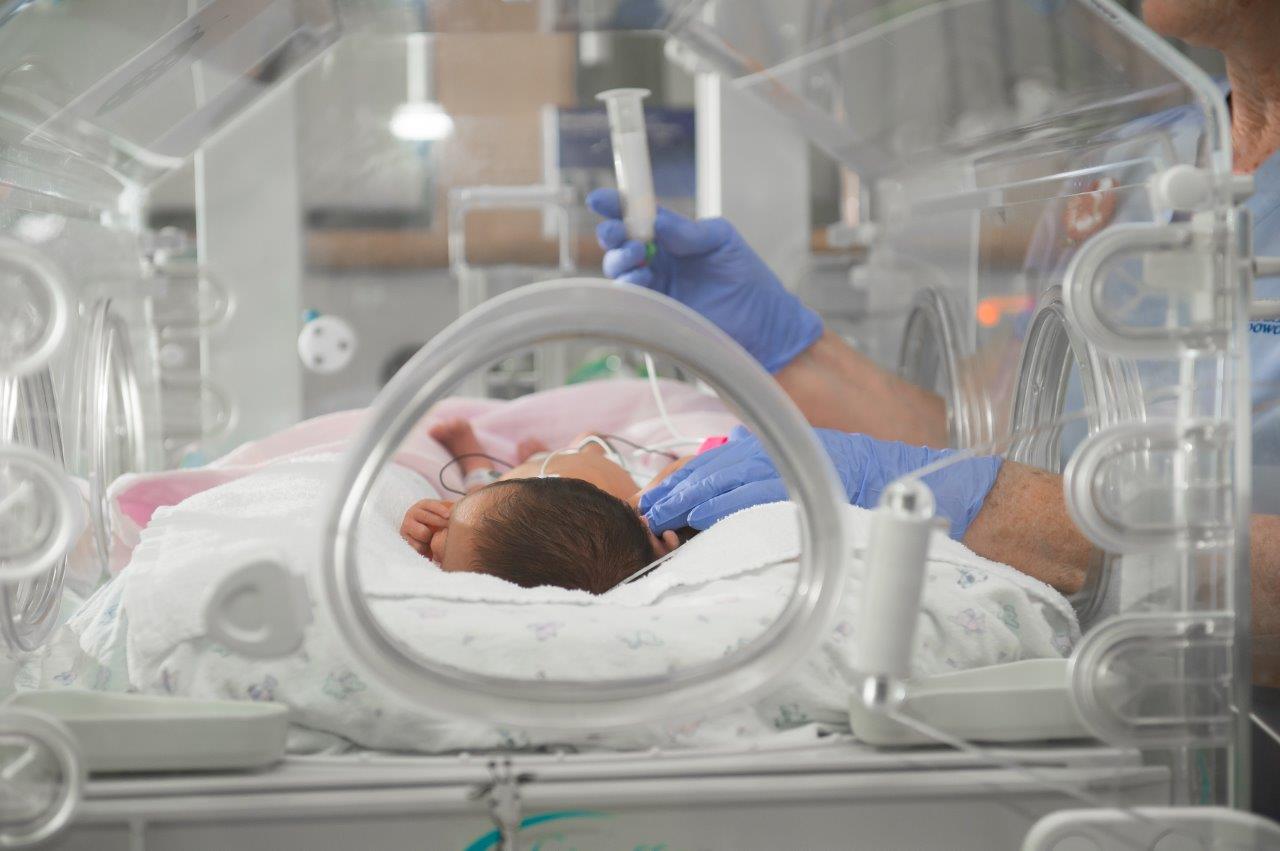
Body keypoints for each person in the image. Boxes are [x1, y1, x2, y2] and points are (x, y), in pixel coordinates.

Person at [588, 0, 1280, 675]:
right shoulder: (1140, 164)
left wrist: (1007, 512)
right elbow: (1008, 449)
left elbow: (1000, 496)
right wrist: (789, 353)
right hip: (1100, 696)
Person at [399, 419, 686, 594]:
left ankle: (475, 462)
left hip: (550, 474)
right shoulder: (639, 508)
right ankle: (536, 456)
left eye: (443, 554)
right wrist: (659, 542)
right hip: (562, 468)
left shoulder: (619, 538)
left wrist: (418, 520)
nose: (434, 535)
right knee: (588, 439)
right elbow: (681, 470)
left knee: (477, 492)